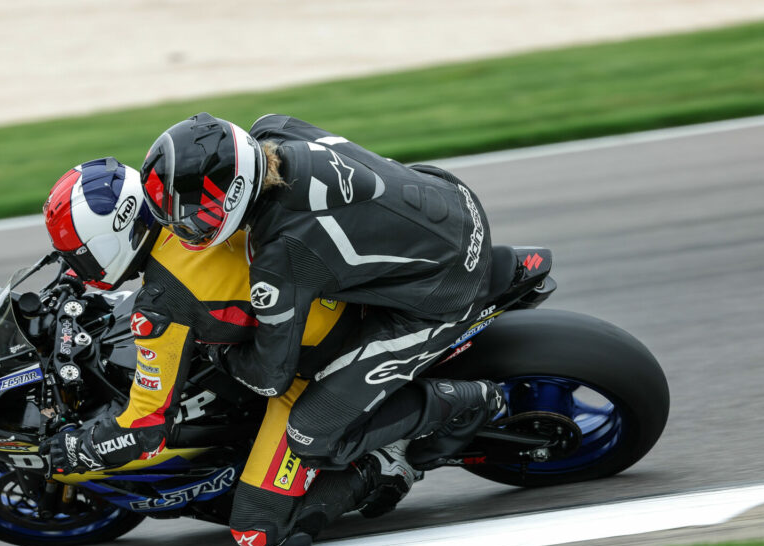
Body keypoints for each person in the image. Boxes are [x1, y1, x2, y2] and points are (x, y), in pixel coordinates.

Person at [38, 156, 423, 546]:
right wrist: (72, 276)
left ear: (116, 236)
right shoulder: (194, 213)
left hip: (318, 367)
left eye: (81, 256)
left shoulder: (163, 304)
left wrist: (80, 449)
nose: (79, 266)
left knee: (258, 531)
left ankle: (382, 462)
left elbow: (146, 430)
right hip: (349, 291)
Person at [138, 113, 505, 504]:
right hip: (448, 194)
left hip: (445, 290)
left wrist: (216, 349)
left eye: (199, 216)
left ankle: (460, 408)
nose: (187, 230)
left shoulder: (283, 255)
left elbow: (270, 377)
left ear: (237, 191)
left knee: (311, 434)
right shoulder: (272, 129)